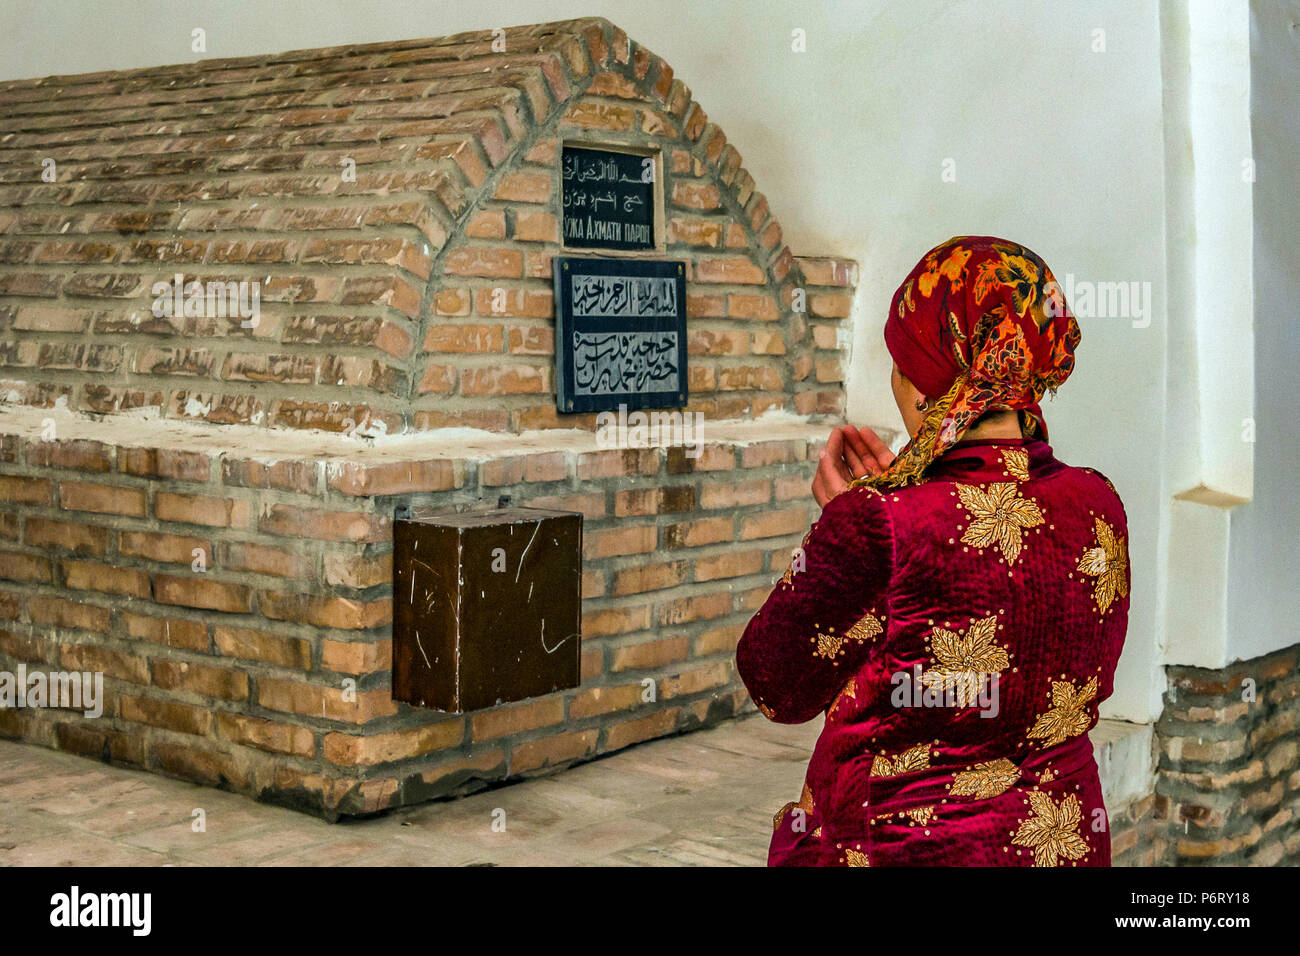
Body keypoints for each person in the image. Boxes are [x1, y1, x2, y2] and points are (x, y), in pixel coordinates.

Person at [736, 236, 1129, 866]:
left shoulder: (880, 524)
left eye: (901, 360)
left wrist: (844, 528)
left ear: (927, 380)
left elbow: (776, 682)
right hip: (1062, 843)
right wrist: (886, 513)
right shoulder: (1098, 500)